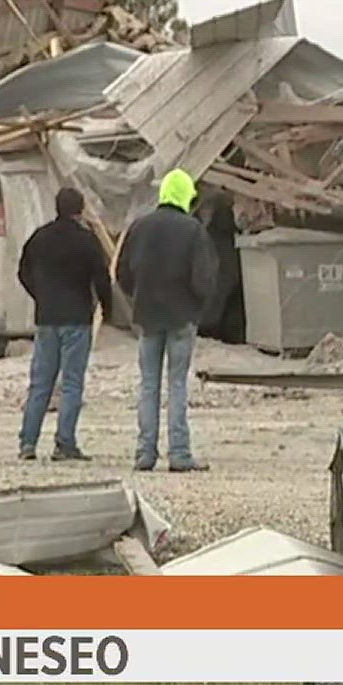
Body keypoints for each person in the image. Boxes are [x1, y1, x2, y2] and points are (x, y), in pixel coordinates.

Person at [116, 168, 217, 473]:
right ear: (185, 194)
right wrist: (198, 307)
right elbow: (204, 277)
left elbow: (122, 273)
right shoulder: (193, 230)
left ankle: (145, 453)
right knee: (177, 385)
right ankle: (179, 454)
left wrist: (138, 296)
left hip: (148, 316)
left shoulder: (140, 227)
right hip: (181, 316)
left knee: (148, 385)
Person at [14, 187, 113, 461]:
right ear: (80, 210)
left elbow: (22, 272)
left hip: (47, 318)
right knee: (71, 382)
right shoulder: (86, 240)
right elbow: (101, 277)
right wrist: (107, 308)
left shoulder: (40, 237)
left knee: (41, 383)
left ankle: (28, 443)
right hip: (77, 318)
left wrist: (40, 294)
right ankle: (65, 443)